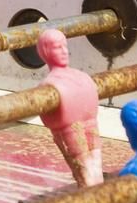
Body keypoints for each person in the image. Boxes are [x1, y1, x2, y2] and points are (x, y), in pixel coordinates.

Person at [34, 29, 103, 187]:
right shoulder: (50, 84)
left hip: (89, 122)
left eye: (65, 46)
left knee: (96, 170)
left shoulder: (81, 76)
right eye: (58, 47)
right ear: (46, 52)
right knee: (85, 174)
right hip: (70, 128)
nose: (64, 51)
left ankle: (97, 194)